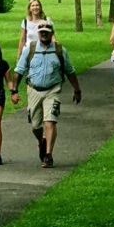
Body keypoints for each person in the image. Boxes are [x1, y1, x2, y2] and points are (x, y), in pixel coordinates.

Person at [13, 22, 81, 168]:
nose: (44, 34)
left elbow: (70, 71)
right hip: (33, 90)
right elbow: (19, 70)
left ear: (52, 33)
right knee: (35, 126)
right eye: (41, 32)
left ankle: (48, 155)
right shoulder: (30, 49)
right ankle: (41, 142)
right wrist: (14, 90)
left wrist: (77, 89)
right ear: (38, 33)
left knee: (50, 121)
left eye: (47, 32)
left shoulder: (60, 50)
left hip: (53, 90)